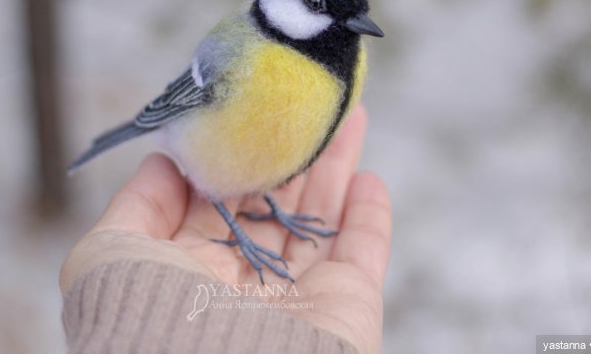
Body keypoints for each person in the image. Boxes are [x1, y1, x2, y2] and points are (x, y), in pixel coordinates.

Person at [60, 106, 392, 354]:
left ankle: (272, 208)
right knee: (222, 182)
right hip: (210, 147)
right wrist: (240, 237)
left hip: (256, 162)